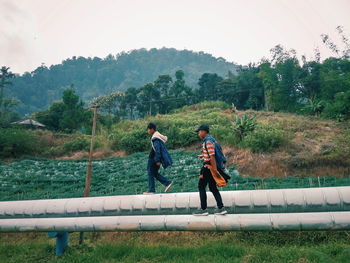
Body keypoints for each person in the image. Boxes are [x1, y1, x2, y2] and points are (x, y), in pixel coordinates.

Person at [193, 124, 229, 215]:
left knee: (201, 186)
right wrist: (203, 155)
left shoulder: (207, 142)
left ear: (204, 131)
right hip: (212, 166)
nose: (198, 134)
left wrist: (215, 170)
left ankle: (203, 209)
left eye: (199, 131)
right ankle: (221, 208)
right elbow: (211, 153)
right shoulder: (212, 140)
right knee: (213, 187)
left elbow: (212, 156)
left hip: (208, 167)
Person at [143, 122, 174, 194]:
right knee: (154, 173)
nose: (148, 131)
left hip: (153, 159)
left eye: (148, 129)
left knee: (150, 172)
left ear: (152, 129)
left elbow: (157, 150)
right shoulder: (157, 136)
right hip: (154, 158)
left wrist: (157, 160)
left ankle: (151, 190)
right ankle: (167, 183)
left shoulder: (155, 138)